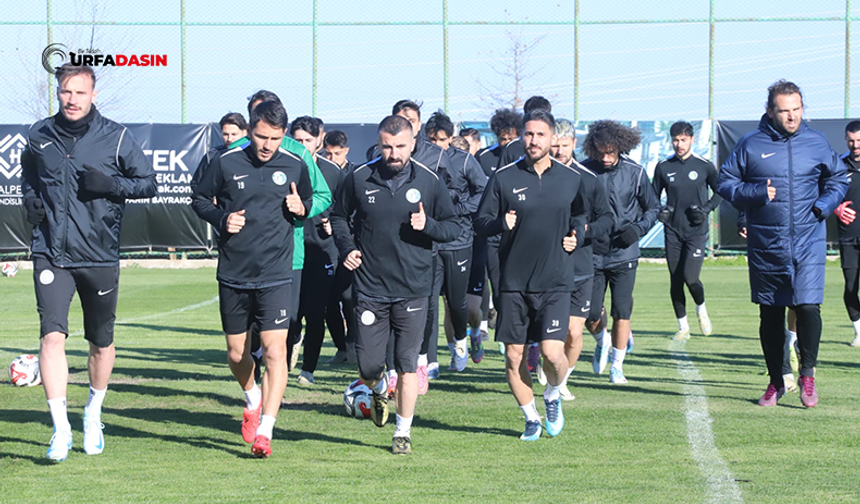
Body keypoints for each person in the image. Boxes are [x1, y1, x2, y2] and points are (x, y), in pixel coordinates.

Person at [20, 63, 156, 461]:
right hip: (51, 252)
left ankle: (93, 412)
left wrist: (111, 184)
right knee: (51, 336)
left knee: (100, 342)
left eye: (80, 92)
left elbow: (149, 184)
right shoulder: (39, 134)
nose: (72, 99)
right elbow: (29, 176)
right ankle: (60, 429)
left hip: (98, 253)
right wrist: (30, 199)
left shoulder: (117, 137)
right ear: (58, 93)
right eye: (66, 91)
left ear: (93, 95)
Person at [330, 115, 458, 455]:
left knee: (406, 365)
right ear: (379, 143)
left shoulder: (430, 181)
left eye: (401, 146)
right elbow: (339, 217)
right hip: (370, 287)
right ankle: (376, 389)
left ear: (413, 143)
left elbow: (454, 227)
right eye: (387, 146)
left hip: (414, 289)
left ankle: (403, 432)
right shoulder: (359, 177)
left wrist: (428, 225)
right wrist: (347, 248)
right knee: (369, 367)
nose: (394, 153)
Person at [192, 100, 313, 457]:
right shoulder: (225, 162)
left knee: (276, 351)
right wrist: (222, 218)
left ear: (283, 135)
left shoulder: (295, 164)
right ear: (250, 130)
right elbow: (199, 198)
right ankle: (252, 397)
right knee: (236, 353)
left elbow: (307, 202)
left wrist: (302, 209)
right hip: (234, 272)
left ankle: (266, 430)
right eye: (261, 137)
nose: (267, 145)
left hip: (276, 273)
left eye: (275, 138)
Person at [718, 79, 847, 408]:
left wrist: (823, 206)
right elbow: (725, 182)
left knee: (808, 306)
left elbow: (837, 179)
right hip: (767, 243)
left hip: (808, 239)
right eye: (785, 111)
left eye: (797, 109)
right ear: (770, 111)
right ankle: (776, 381)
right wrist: (756, 193)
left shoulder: (817, 142)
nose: (792, 116)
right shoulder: (750, 144)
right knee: (771, 313)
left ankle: (807, 375)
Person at [475, 110, 586, 441]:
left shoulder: (570, 179)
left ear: (553, 138)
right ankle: (531, 418)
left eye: (540, 134)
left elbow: (580, 215)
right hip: (513, 283)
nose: (533, 140)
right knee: (514, 356)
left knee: (552, 353)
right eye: (528, 134)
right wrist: (500, 223)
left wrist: (577, 234)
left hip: (556, 281)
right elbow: (480, 222)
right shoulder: (503, 178)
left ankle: (552, 394)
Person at [243, 91, 332, 382]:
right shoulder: (236, 153)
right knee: (249, 328)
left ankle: (271, 389)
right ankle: (254, 378)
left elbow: (323, 195)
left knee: (283, 327)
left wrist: (303, 208)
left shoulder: (299, 154)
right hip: (245, 257)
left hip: (287, 256)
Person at [581, 120, 660, 384]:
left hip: (624, 253)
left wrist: (637, 230)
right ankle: (602, 341)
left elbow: (653, 208)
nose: (605, 158)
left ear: (620, 148)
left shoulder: (636, 173)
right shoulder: (584, 171)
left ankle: (617, 365)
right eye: (601, 152)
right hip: (592, 253)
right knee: (590, 314)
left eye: (610, 152)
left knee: (622, 311)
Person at [544, 118, 613, 399]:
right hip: (544, 267)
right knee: (548, 333)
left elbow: (607, 219)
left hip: (580, 267)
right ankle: (550, 364)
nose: (559, 151)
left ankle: (560, 382)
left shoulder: (589, 179)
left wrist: (586, 231)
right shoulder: (535, 177)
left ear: (574, 144)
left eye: (564, 145)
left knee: (573, 332)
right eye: (555, 145)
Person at [424, 111, 488, 383]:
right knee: (428, 302)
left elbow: (484, 191)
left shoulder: (464, 161)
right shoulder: (419, 160)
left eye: (442, 140)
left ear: (450, 138)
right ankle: (429, 361)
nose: (437, 145)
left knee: (456, 301)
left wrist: (459, 209)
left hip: (459, 241)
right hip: (429, 241)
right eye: (432, 140)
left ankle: (461, 341)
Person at [288, 117, 347, 385]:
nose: (302, 145)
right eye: (297, 140)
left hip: (323, 251)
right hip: (291, 251)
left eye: (308, 140)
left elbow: (346, 208)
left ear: (319, 141)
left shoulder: (333, 171)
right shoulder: (284, 165)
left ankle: (307, 371)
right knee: (291, 315)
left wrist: (335, 225)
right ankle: (292, 343)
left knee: (316, 313)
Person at [652, 121, 720, 340]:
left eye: (683, 140)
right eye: (675, 140)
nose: (679, 144)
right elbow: (652, 197)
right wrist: (660, 210)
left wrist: (706, 210)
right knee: (676, 279)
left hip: (696, 231)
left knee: (691, 278)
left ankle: (701, 308)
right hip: (673, 231)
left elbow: (720, 192)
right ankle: (683, 327)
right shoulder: (663, 166)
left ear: (692, 139)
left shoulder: (704, 166)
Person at [834, 121, 860, 348]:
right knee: (851, 287)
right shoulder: (839, 166)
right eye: (851, 141)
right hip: (849, 237)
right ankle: (859, 331)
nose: (855, 145)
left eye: (859, 140)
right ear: (845, 140)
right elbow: (823, 194)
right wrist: (836, 207)